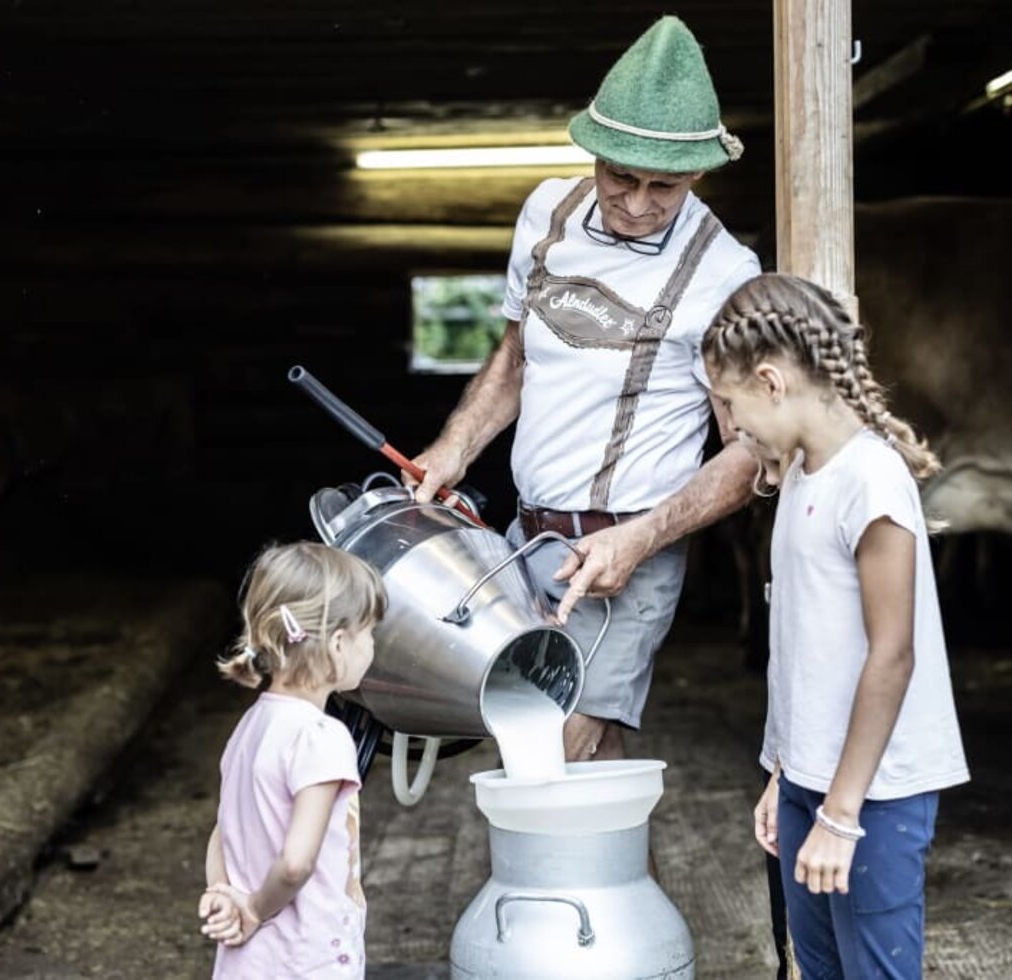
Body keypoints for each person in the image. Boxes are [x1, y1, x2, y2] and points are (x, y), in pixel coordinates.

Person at [409, 15, 760, 763]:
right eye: (618, 177)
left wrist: (641, 539)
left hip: (627, 551)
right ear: (592, 154)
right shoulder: (547, 214)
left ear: (699, 174)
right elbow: (513, 359)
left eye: (661, 186)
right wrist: (450, 451)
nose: (634, 202)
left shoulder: (726, 274)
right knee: (530, 755)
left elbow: (751, 452)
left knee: (560, 755)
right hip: (523, 538)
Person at [701, 273, 970, 979]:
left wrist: (840, 814)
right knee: (815, 966)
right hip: (810, 782)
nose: (729, 429)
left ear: (769, 381)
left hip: (874, 794)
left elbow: (892, 657)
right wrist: (786, 774)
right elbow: (809, 647)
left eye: (727, 405)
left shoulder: (871, 481)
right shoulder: (800, 475)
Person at [197, 541, 387, 979]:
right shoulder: (322, 738)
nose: (372, 647)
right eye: (370, 634)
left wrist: (223, 892)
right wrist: (254, 911)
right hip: (307, 958)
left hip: (248, 963)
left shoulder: (250, 726)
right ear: (339, 644)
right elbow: (298, 861)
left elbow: (221, 833)